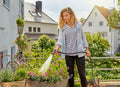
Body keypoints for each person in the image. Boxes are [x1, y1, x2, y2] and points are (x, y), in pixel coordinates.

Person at [54, 7, 90, 87]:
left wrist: (87, 49)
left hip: (79, 53)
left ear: (71, 14)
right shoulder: (62, 27)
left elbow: (83, 38)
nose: (64, 18)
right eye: (63, 16)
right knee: (70, 75)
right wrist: (56, 48)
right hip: (68, 54)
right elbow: (60, 40)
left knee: (82, 74)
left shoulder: (78, 25)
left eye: (66, 15)